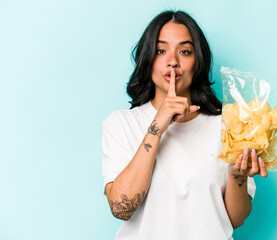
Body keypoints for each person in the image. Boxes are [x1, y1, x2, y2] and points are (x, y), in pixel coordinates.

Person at [102, 10, 268, 240]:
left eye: (184, 51)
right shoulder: (122, 124)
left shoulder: (228, 126)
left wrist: (237, 176)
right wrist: (157, 126)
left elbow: (234, 220)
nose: (173, 62)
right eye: (161, 51)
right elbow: (122, 208)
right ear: (147, 60)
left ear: (197, 61)